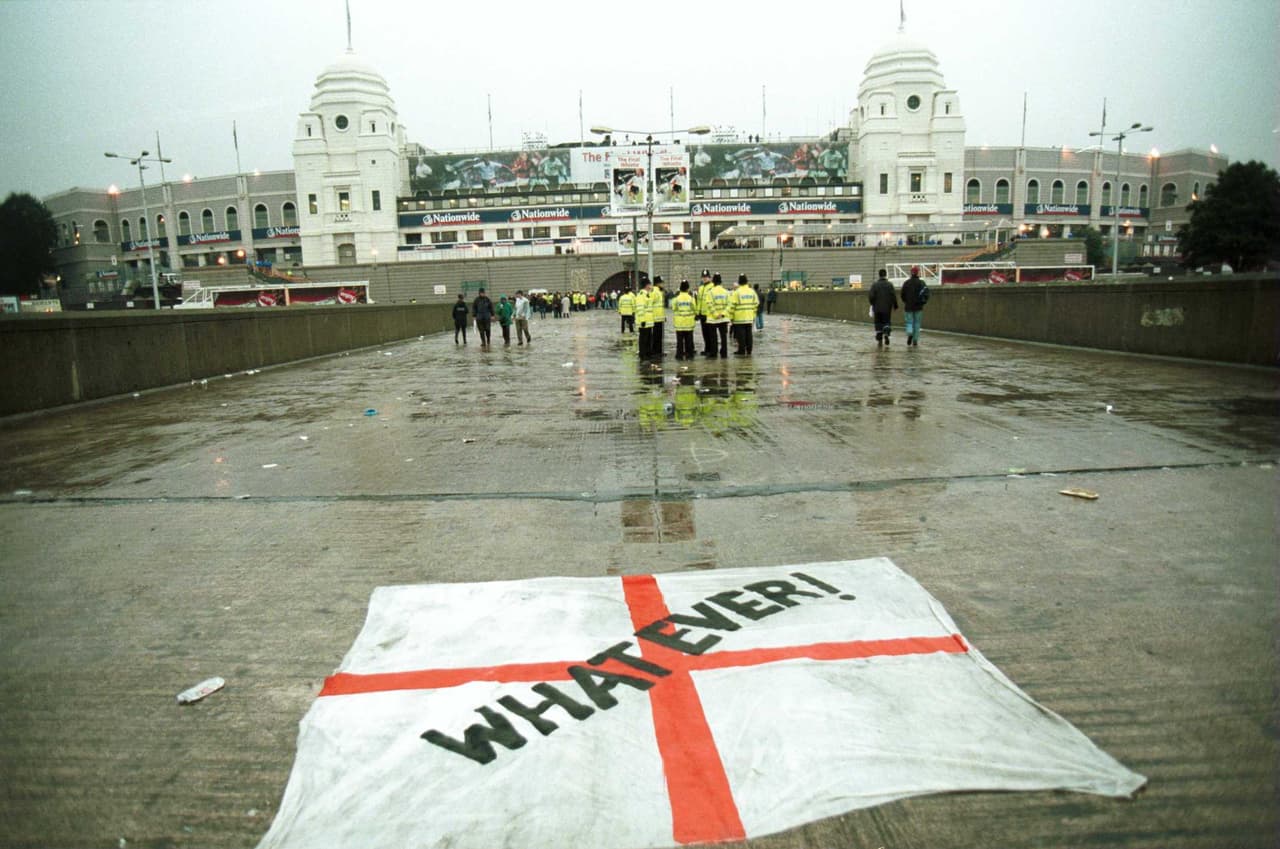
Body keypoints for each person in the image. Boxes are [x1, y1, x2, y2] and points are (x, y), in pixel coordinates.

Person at [868, 269, 899, 347]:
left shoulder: (875, 285)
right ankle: (886, 334)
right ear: (885, 275)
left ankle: (879, 337)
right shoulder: (889, 285)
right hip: (887, 308)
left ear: (879, 275)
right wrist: (895, 305)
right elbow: (893, 296)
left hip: (877, 307)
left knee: (878, 322)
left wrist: (873, 304)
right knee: (886, 321)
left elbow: (871, 296)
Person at [730, 274, 759, 355]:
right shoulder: (752, 291)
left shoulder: (737, 292)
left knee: (741, 336)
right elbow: (756, 303)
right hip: (749, 317)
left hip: (739, 318)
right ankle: (749, 350)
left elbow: (732, 306)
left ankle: (741, 350)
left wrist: (731, 317)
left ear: (739, 282)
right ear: (747, 281)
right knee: (749, 334)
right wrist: (753, 314)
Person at [900, 266, 928, 347]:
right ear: (918, 273)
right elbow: (926, 294)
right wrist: (922, 302)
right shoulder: (922, 283)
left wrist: (906, 301)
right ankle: (915, 340)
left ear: (911, 273)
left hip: (908, 306)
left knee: (909, 322)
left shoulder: (906, 283)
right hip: (918, 307)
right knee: (917, 323)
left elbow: (902, 295)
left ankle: (910, 333)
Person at [706, 273, 731, 358]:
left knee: (713, 337)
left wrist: (716, 314)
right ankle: (724, 352)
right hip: (723, 319)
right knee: (723, 337)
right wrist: (723, 314)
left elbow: (709, 304)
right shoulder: (726, 292)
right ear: (721, 281)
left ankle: (714, 352)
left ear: (713, 282)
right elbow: (729, 305)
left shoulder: (710, 292)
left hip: (712, 319)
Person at [671, 280, 697, 360]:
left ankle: (679, 355)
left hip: (679, 323)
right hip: (689, 323)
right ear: (687, 288)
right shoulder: (691, 298)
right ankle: (689, 354)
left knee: (679, 341)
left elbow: (673, 308)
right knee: (689, 340)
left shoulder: (676, 299)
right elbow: (695, 309)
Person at [696, 269, 716, 356]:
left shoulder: (712, 286)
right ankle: (707, 348)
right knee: (705, 333)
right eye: (703, 277)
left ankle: (712, 349)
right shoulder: (701, 288)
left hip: (710, 314)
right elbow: (699, 301)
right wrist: (697, 312)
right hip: (703, 314)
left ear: (710, 278)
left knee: (711, 333)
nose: (704, 279)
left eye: (706, 277)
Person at [648, 276, 666, 358]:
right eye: (662, 283)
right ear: (658, 283)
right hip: (655, 317)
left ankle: (659, 351)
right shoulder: (654, 291)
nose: (663, 284)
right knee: (656, 336)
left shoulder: (659, 291)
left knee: (659, 336)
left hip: (659, 317)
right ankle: (655, 352)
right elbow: (650, 303)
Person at [635, 279, 654, 358]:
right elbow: (640, 308)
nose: (651, 286)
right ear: (647, 285)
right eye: (650, 284)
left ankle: (648, 353)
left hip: (648, 321)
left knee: (649, 338)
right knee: (643, 339)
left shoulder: (647, 294)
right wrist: (642, 320)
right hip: (644, 321)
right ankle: (643, 354)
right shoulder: (641, 295)